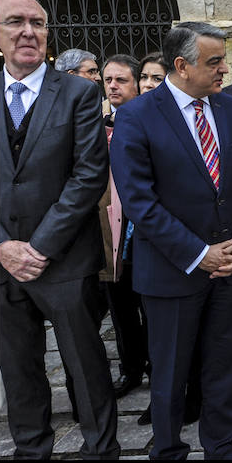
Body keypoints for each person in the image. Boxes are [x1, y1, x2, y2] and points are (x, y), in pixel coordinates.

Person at [110, 21, 232, 460]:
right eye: (215, 62)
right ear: (181, 66)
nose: (224, 71)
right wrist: (199, 254)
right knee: (170, 373)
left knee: (224, 366)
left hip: (230, 268)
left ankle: (222, 444)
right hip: (172, 272)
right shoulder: (138, 115)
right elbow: (140, 200)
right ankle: (169, 449)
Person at [0, 0, 120, 459]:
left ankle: (101, 448)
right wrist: (4, 247)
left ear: (48, 34)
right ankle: (32, 450)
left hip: (65, 257)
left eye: (37, 22)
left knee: (84, 364)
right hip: (3, 261)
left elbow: (89, 174)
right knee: (18, 367)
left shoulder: (78, 92)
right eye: (15, 22)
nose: (28, 31)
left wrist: (39, 246)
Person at [96, 54, 151, 402]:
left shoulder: (151, 121)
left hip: (144, 228)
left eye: (121, 80)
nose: (113, 86)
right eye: (108, 80)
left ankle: (158, 372)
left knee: (152, 310)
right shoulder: (97, 125)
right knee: (120, 308)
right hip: (110, 230)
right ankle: (130, 369)